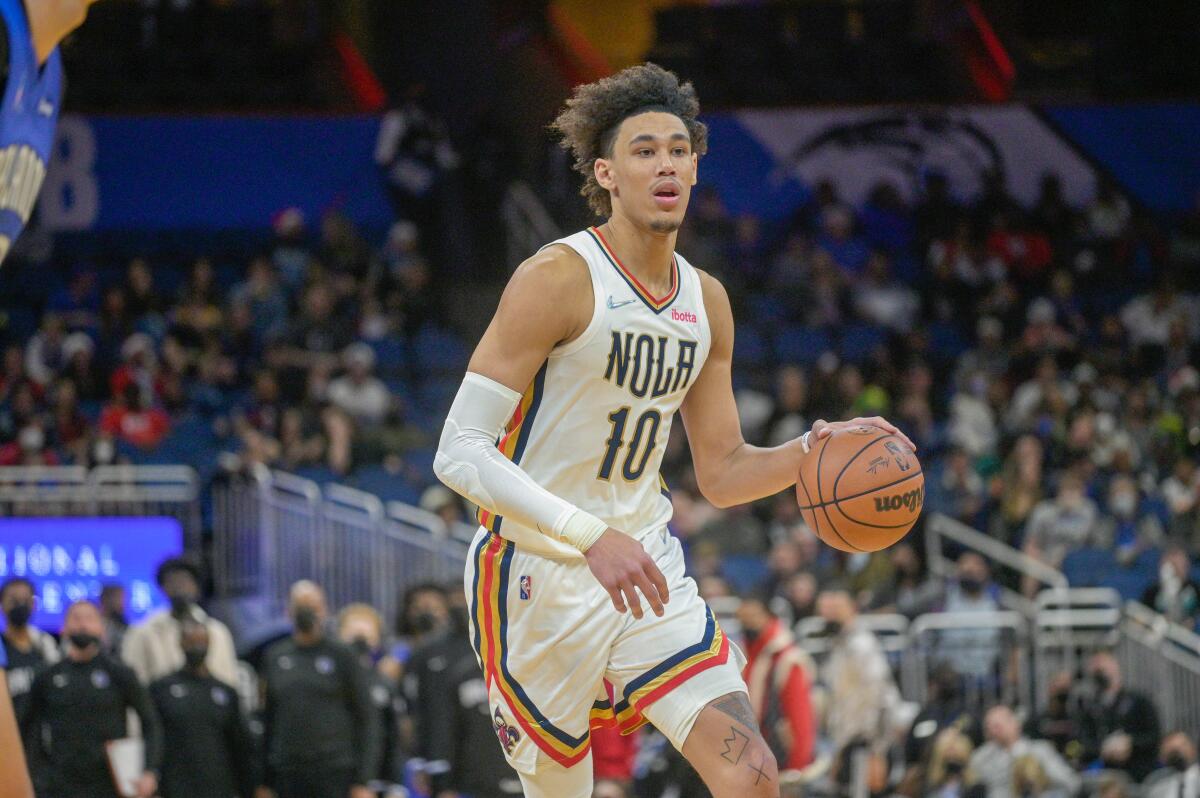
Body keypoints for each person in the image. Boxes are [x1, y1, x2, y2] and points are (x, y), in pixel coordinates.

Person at [432, 62, 911, 798]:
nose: (665, 164)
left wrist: (814, 451)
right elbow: (458, 451)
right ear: (607, 173)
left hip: (648, 564)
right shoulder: (558, 277)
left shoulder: (706, 301)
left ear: (695, 166)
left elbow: (721, 471)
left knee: (751, 774)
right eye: (644, 150)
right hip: (537, 576)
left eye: (678, 150)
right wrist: (590, 536)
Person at [22, 600, 162, 798]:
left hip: (110, 782)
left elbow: (150, 721)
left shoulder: (119, 673)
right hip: (60, 783)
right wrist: (37, 773)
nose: (82, 625)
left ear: (101, 628)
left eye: (89, 618)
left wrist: (149, 771)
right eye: (76, 618)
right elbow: (29, 728)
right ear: (64, 627)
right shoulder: (48, 676)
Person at [257, 581, 379, 798]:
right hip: (287, 771)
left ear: (324, 610)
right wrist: (264, 780)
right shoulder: (275, 656)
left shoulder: (343, 655)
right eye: (301, 605)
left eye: (313, 605)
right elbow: (268, 719)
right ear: (289, 611)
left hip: (335, 772)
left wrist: (363, 779)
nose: (307, 611)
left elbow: (367, 718)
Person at [405, 583, 522, 798]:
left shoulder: (516, 653)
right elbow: (424, 715)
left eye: (466, 598)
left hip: (511, 759)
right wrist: (429, 765)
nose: (462, 606)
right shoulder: (431, 653)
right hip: (463, 767)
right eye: (456, 600)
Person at [150, 621, 257, 798]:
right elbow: (154, 737)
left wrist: (249, 786)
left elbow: (240, 746)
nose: (196, 647)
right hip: (176, 786)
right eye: (191, 641)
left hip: (220, 786)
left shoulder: (226, 692)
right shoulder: (161, 689)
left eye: (201, 641)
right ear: (181, 643)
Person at [121, 555, 239, 687]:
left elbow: (230, 680)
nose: (178, 587)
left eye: (185, 581)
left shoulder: (217, 631)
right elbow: (133, 683)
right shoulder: (142, 632)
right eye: (172, 581)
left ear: (196, 587)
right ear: (162, 587)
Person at [816, 583, 901, 765]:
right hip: (845, 738)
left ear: (852, 608)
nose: (829, 615)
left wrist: (877, 750)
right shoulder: (838, 643)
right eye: (826, 610)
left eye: (836, 609)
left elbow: (881, 697)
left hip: (866, 742)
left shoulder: (862, 644)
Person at [735, 593, 816, 773]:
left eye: (753, 617)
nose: (748, 624)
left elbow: (801, 719)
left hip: (780, 756)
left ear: (769, 617)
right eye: (743, 619)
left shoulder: (788, 660)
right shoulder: (744, 656)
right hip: (753, 755)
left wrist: (797, 769)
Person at [336, 603, 406, 788]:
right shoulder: (328, 682)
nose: (360, 643)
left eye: (366, 635)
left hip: (378, 779)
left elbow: (394, 736)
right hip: (337, 778)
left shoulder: (384, 684)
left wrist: (395, 783)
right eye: (353, 634)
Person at [1078, 651, 1161, 782]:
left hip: (1139, 771)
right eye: (1095, 668)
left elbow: (1154, 736)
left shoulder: (1139, 701)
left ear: (1115, 667)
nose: (1098, 671)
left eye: (1102, 666)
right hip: (1103, 774)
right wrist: (1103, 749)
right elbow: (1083, 742)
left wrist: (1130, 743)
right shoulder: (1088, 708)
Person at [968, 706, 1078, 798]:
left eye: (997, 726)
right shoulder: (981, 757)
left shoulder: (1040, 750)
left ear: (1015, 724)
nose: (993, 731)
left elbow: (1070, 783)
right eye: (989, 728)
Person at [0, 577, 60, 719]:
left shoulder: (45, 644)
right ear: (2, 604)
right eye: (14, 601)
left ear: (33, 604)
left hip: (41, 735)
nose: (20, 605)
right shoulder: (2, 647)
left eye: (26, 600)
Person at [1140, 543, 1200, 628]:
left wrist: (1193, 621)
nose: (1176, 570)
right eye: (1173, 565)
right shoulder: (1153, 590)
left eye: (1181, 565)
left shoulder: (1195, 589)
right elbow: (1142, 614)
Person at [1144, 731, 1200, 798]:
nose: (1180, 754)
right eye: (1173, 751)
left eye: (1183, 745)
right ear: (1162, 756)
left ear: (1193, 749)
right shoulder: (1156, 782)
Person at [99, 584, 129, 657]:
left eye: (123, 598)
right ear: (106, 599)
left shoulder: (123, 624)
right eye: (119, 598)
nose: (122, 603)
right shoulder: (96, 624)